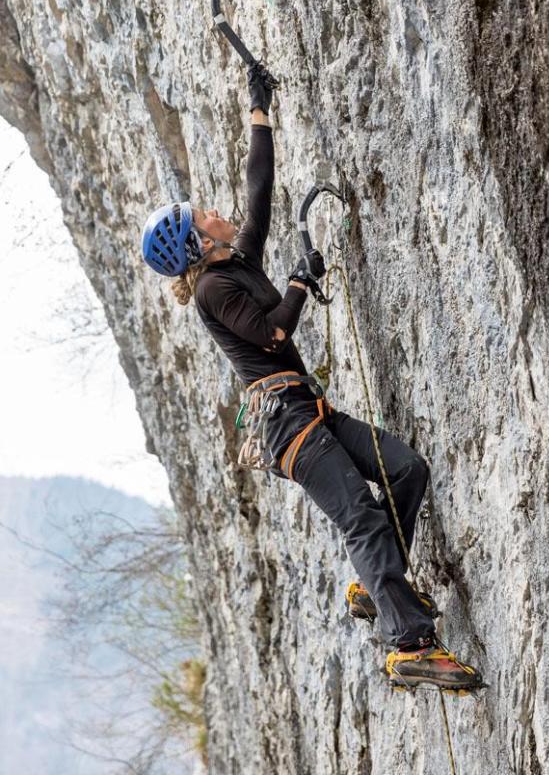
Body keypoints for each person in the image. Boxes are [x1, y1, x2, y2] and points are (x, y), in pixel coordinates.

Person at [141, 62, 484, 693]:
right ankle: (409, 645)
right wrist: (300, 281)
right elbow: (273, 333)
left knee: (406, 468)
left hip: (308, 409)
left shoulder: (235, 259)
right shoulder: (216, 288)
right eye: (202, 216)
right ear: (195, 245)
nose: (214, 211)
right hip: (288, 427)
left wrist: (258, 110)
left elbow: (260, 188)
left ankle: (378, 588)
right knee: (360, 515)